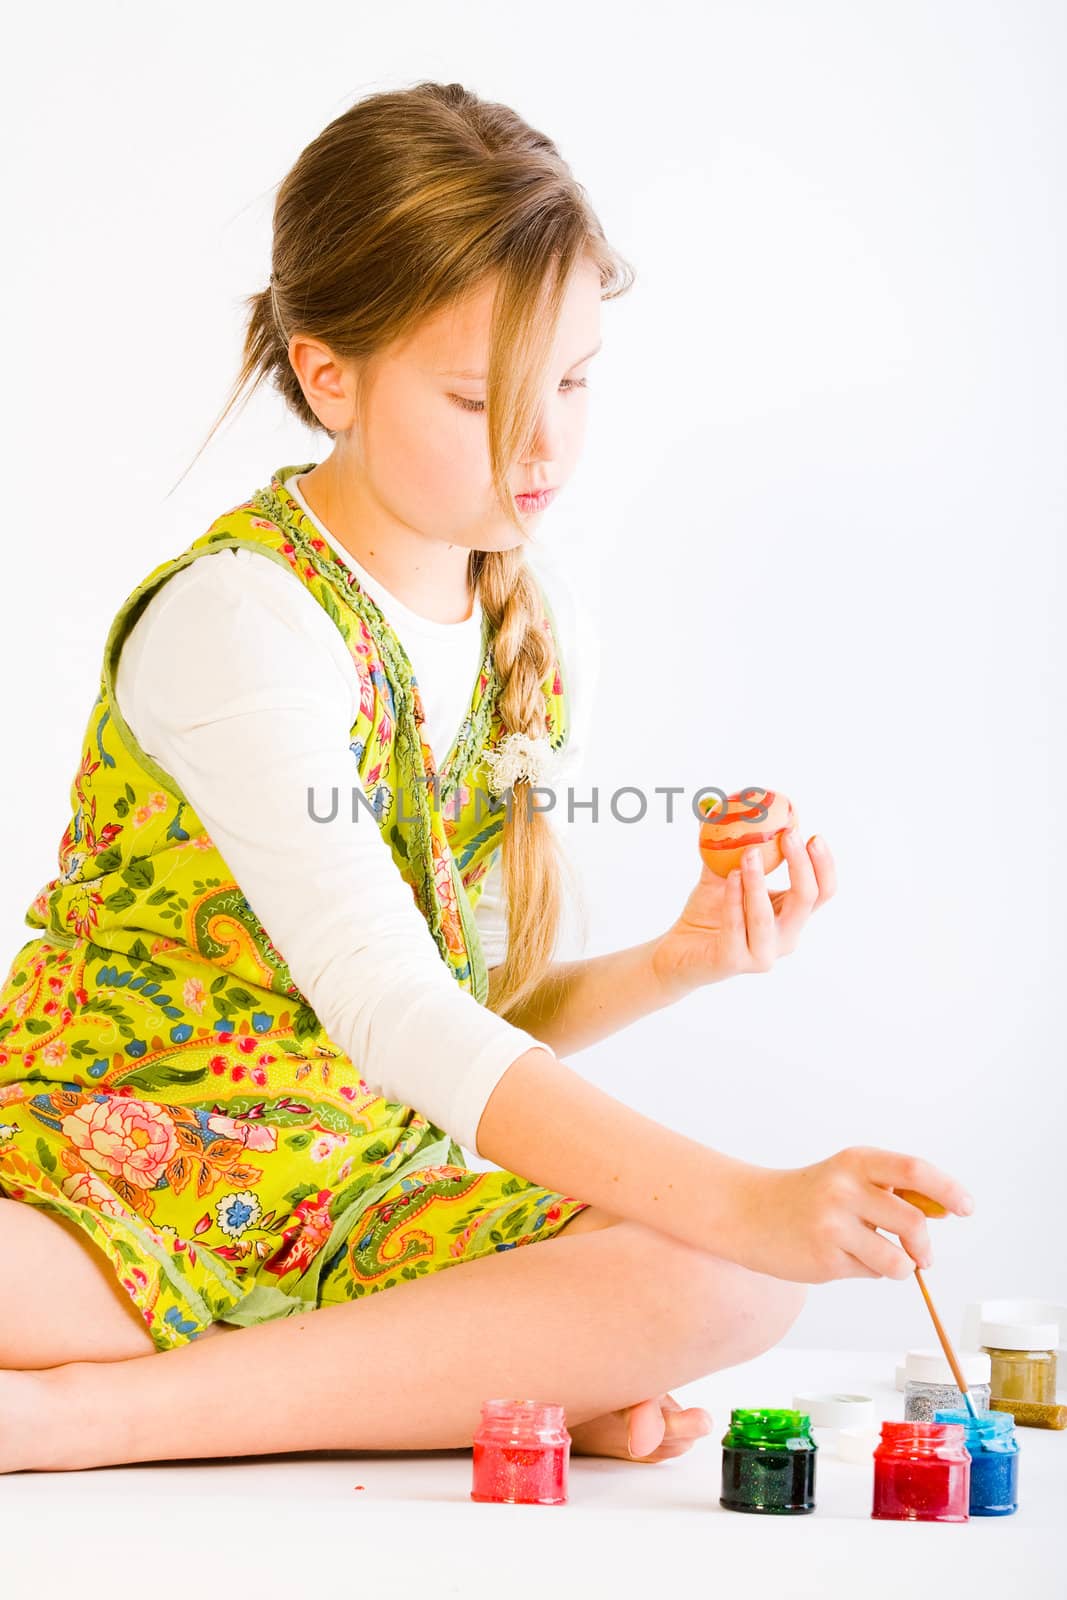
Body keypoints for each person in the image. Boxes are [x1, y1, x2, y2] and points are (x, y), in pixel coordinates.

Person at [0, 80, 974, 1476]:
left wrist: (674, 964)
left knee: (736, 1282)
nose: (545, 447)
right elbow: (402, 1020)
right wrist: (750, 1195)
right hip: (113, 1181)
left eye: (573, 382)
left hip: (355, 1199)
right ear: (328, 373)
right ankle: (113, 1415)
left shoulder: (510, 616)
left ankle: (161, 1397)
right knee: (729, 1230)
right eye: (482, 398)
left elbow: (452, 1030)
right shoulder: (242, 621)